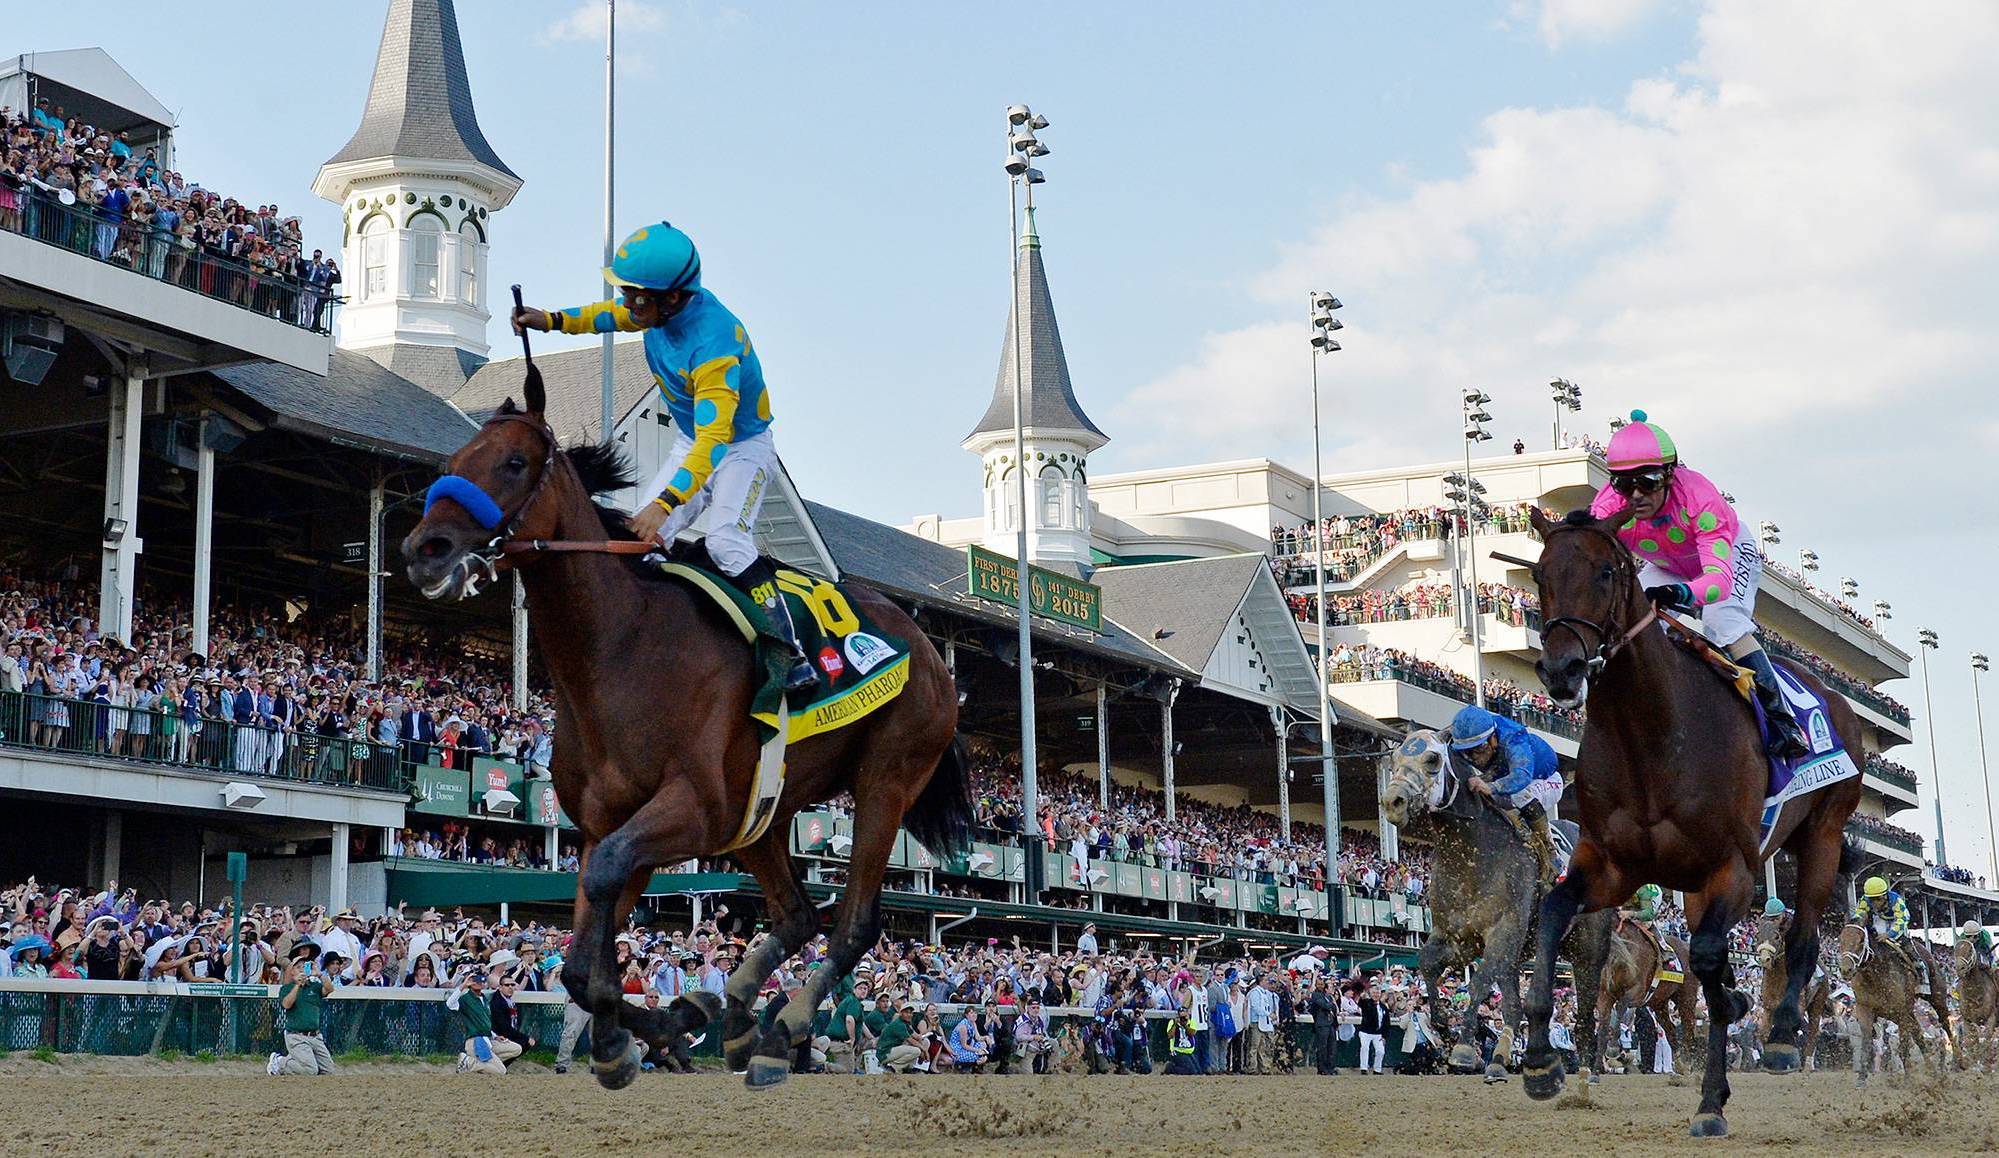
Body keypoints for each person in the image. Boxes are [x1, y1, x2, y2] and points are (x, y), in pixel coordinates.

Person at [513, 221, 813, 690]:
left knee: (725, 541)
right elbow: (605, 316)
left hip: (740, 448)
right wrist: (549, 320)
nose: (629, 305)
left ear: (672, 298)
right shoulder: (654, 309)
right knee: (643, 543)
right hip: (693, 441)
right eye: (628, 294)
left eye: (637, 298)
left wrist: (666, 502)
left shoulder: (714, 345)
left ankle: (789, 651)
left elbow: (715, 441)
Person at [1589, 409, 1808, 758]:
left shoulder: (1700, 500)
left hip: (1728, 554)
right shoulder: (1606, 508)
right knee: (1631, 622)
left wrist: (1680, 593)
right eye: (1624, 485)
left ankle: (1782, 721)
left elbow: (1718, 582)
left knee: (1722, 620)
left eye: (1647, 482)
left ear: (1669, 475)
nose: (1636, 495)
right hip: (1667, 565)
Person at [1448, 704, 1564, 883]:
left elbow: (1522, 776)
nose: (1473, 757)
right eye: (1466, 752)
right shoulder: (1463, 740)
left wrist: (1492, 787)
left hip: (1544, 779)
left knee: (1520, 794)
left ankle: (1551, 853)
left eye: (1479, 748)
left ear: (1493, 738)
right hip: (1505, 779)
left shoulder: (1513, 738)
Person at [268, 944, 335, 1076]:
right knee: (310, 1070)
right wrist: (298, 985)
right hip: (296, 1036)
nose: (302, 969)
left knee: (329, 1071)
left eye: (304, 966)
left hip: (315, 1036)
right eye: (298, 967)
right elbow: (286, 1004)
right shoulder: (287, 988)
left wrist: (319, 974)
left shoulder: (314, 986)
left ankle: (299, 1061)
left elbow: (329, 989)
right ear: (292, 971)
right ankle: (280, 1063)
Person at [447, 967, 520, 1075]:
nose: (479, 982)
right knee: (501, 1071)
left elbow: (485, 1023)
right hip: (475, 1041)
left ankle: (482, 1064)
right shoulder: (465, 999)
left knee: (516, 1049)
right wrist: (463, 986)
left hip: (487, 1039)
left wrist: (494, 1036)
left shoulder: (484, 999)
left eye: (481, 979)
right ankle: (470, 1063)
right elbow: (450, 1004)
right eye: (475, 980)